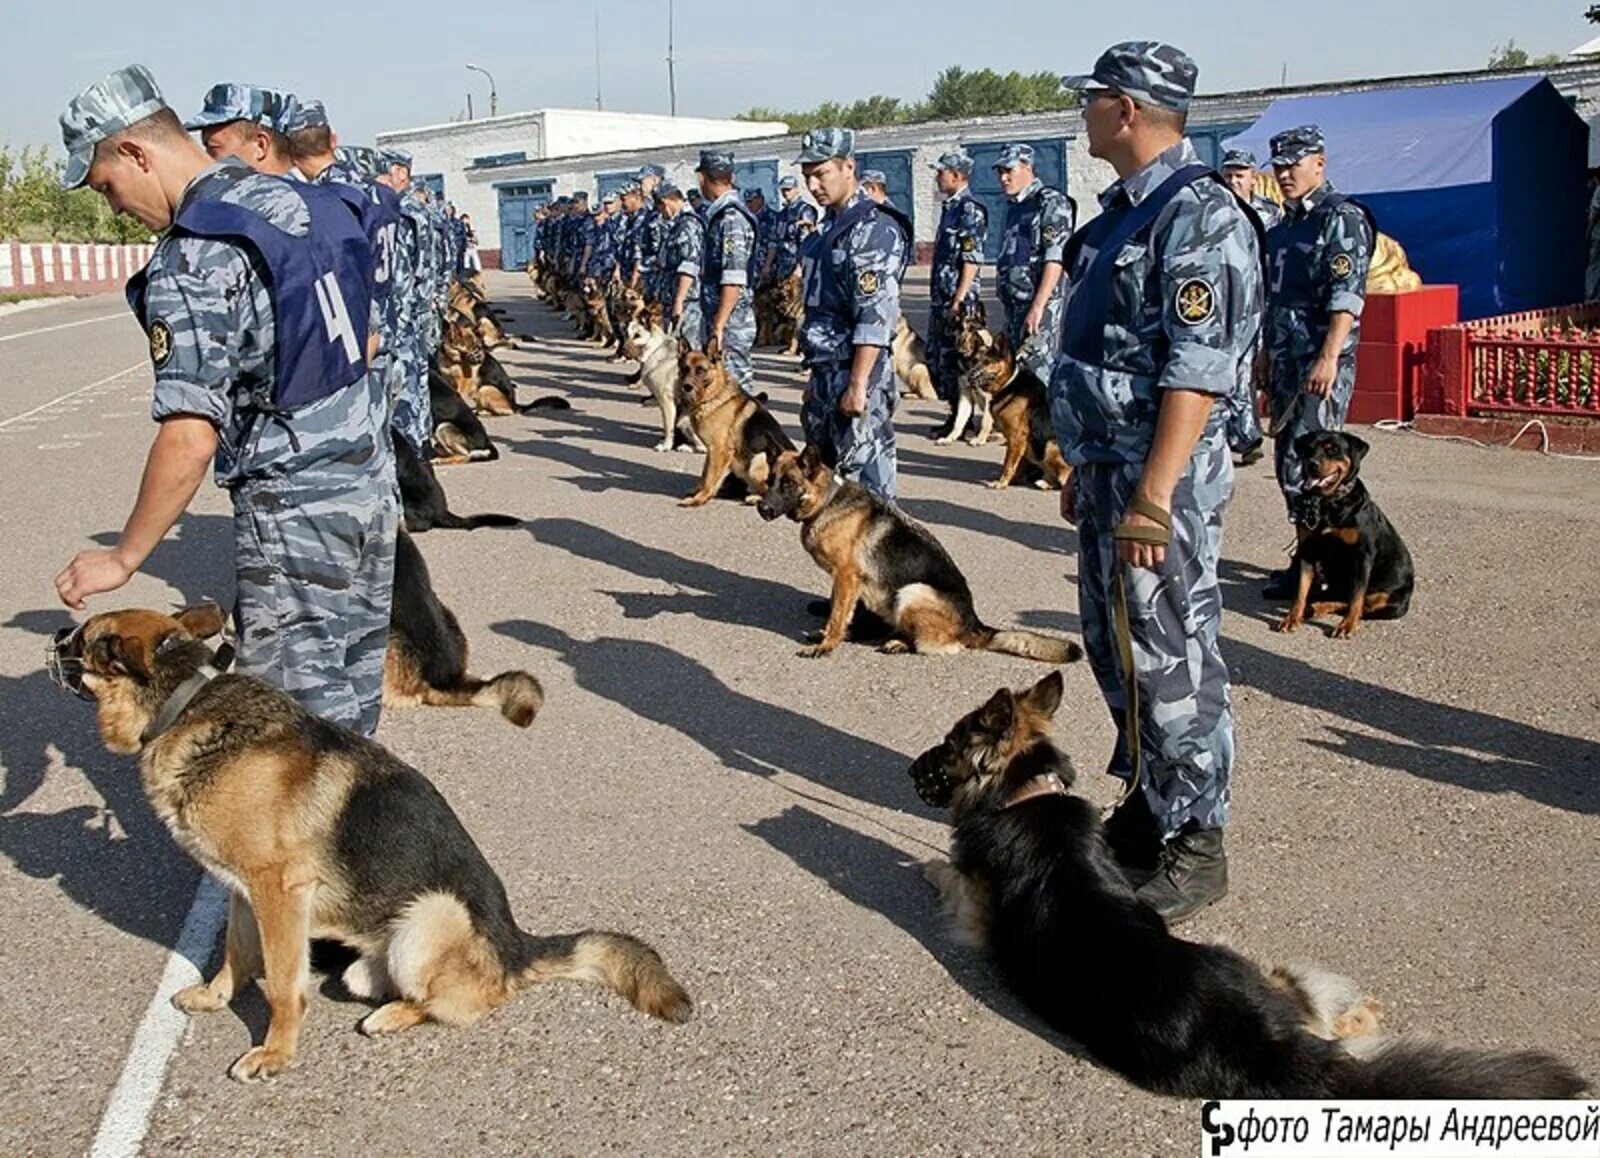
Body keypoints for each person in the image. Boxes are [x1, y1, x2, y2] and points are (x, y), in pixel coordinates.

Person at [53, 65, 397, 738]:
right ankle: (362, 838)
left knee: (293, 735)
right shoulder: (311, 206)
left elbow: (190, 436)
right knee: (352, 705)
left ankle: (314, 845)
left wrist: (124, 556)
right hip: (369, 488)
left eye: (107, 186)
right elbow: (370, 335)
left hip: (297, 509)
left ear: (135, 152)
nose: (114, 205)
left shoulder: (197, 253)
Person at [1054, 42, 1264, 922]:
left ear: (1129, 109)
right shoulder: (1125, 215)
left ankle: (1197, 841)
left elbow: (1197, 371)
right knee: (1118, 646)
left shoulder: (1199, 216)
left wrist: (1152, 491)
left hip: (1159, 481)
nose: (1085, 114)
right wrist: (1087, 465)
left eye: (1094, 99)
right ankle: (1151, 802)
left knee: (1172, 651)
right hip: (1113, 470)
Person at [1260, 125, 1376, 599]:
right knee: (1291, 461)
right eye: (1280, 166)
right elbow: (1275, 296)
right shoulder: (1285, 225)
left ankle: (1334, 567)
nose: (1285, 174)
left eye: (1294, 164)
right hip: (1287, 361)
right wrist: (1266, 353)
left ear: (1319, 163)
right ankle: (1307, 557)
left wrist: (1329, 356)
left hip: (1319, 365)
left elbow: (1346, 297)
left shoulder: (1340, 217)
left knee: (1320, 466)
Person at [284, 100, 418, 458]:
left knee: (358, 451)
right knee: (387, 437)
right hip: (389, 326)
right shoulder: (381, 193)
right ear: (333, 140)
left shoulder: (320, 200)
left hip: (355, 340)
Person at [795, 127, 910, 500]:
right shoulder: (830, 227)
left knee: (868, 495)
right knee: (830, 490)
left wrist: (858, 383)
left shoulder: (874, 228)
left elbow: (874, 317)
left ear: (848, 167)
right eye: (807, 175)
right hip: (826, 369)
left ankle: (883, 561)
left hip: (856, 370)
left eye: (821, 173)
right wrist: (817, 379)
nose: (813, 185)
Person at [994, 142, 1075, 381]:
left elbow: (1055, 258)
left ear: (1027, 167)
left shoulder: (1050, 202)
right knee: (1018, 376)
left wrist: (1038, 306)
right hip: (1015, 306)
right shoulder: (1013, 208)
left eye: (1009, 170)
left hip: (1040, 306)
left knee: (1038, 373)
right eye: (1000, 172)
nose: (1004, 178)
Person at [1217, 148, 1276, 466]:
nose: (1233, 181)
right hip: (1227, 301)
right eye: (1228, 175)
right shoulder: (1215, 212)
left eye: (1240, 175)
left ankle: (1249, 431)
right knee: (1233, 370)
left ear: (1253, 178)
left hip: (1260, 301)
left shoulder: (1269, 214)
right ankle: (1242, 435)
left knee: (1253, 369)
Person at [926, 149, 988, 438]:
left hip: (959, 303)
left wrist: (960, 299)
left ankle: (968, 421)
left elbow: (971, 259)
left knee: (961, 361)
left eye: (941, 172)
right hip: (942, 299)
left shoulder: (969, 210)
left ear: (957, 175)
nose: (938, 177)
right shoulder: (950, 208)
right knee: (941, 360)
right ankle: (954, 415)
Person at [695, 150, 759, 393]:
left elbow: (733, 279)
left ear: (703, 178)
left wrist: (719, 325)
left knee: (735, 389)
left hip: (731, 319)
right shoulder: (720, 215)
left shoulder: (731, 218)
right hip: (721, 314)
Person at [657, 183, 705, 344]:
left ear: (665, 203)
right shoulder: (676, 224)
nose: (660, 214)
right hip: (672, 295)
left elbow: (689, 265)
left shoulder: (688, 225)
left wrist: (679, 300)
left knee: (688, 349)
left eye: (660, 209)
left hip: (687, 300)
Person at [763, 174, 818, 287]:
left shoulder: (805, 211)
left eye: (789, 189)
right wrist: (767, 265)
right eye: (783, 190)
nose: (785, 193)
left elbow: (807, 243)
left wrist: (799, 268)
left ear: (797, 189)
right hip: (782, 267)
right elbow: (774, 242)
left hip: (798, 267)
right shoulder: (781, 214)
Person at [743, 187, 779, 287]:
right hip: (751, 266)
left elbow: (773, 244)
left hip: (766, 265)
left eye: (751, 201)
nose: (748, 205)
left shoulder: (771, 217)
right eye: (746, 202)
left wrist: (767, 265)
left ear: (760, 199)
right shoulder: (747, 218)